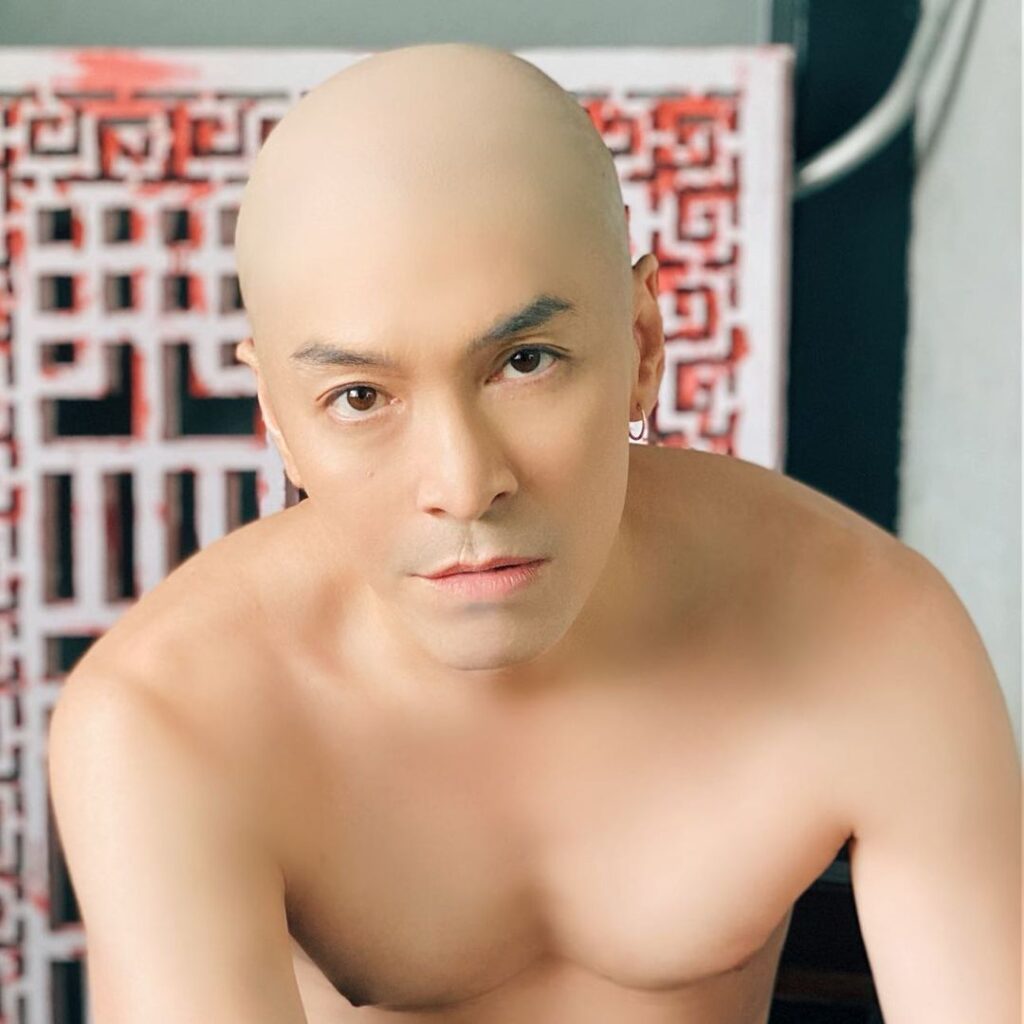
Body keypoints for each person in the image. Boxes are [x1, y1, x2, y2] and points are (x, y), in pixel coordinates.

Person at [46, 41, 1020, 1024]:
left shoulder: (872, 634)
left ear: (641, 345)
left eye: (525, 362)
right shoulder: (170, 721)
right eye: (359, 396)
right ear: (277, 418)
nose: (465, 485)